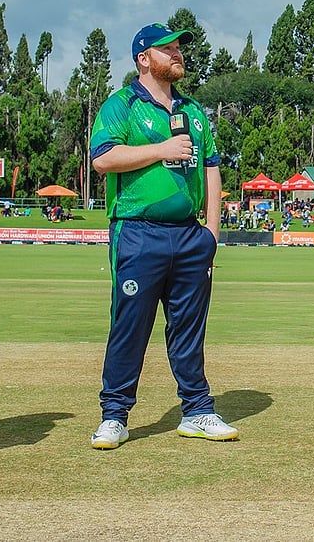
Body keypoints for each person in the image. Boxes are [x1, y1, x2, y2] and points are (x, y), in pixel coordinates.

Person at [88, 22, 236, 450]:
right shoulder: (122, 104)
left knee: (189, 329)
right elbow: (102, 159)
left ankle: (197, 410)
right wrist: (161, 150)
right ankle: (114, 416)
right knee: (130, 326)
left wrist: (211, 233)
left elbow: (211, 168)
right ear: (143, 59)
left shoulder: (193, 110)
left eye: (178, 48)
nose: (177, 54)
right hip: (137, 232)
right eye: (166, 49)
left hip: (190, 236)